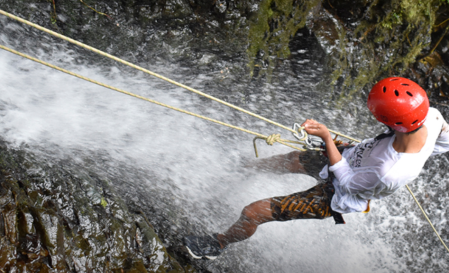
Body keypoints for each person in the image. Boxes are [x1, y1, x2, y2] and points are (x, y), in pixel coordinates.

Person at [184, 77, 449, 260]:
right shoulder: (430, 115)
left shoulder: (391, 172)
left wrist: (326, 137)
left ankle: (217, 243)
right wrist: (430, 147)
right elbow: (445, 139)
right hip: (351, 156)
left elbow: (345, 180)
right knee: (291, 159)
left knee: (253, 212)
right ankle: (247, 167)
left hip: (337, 194)